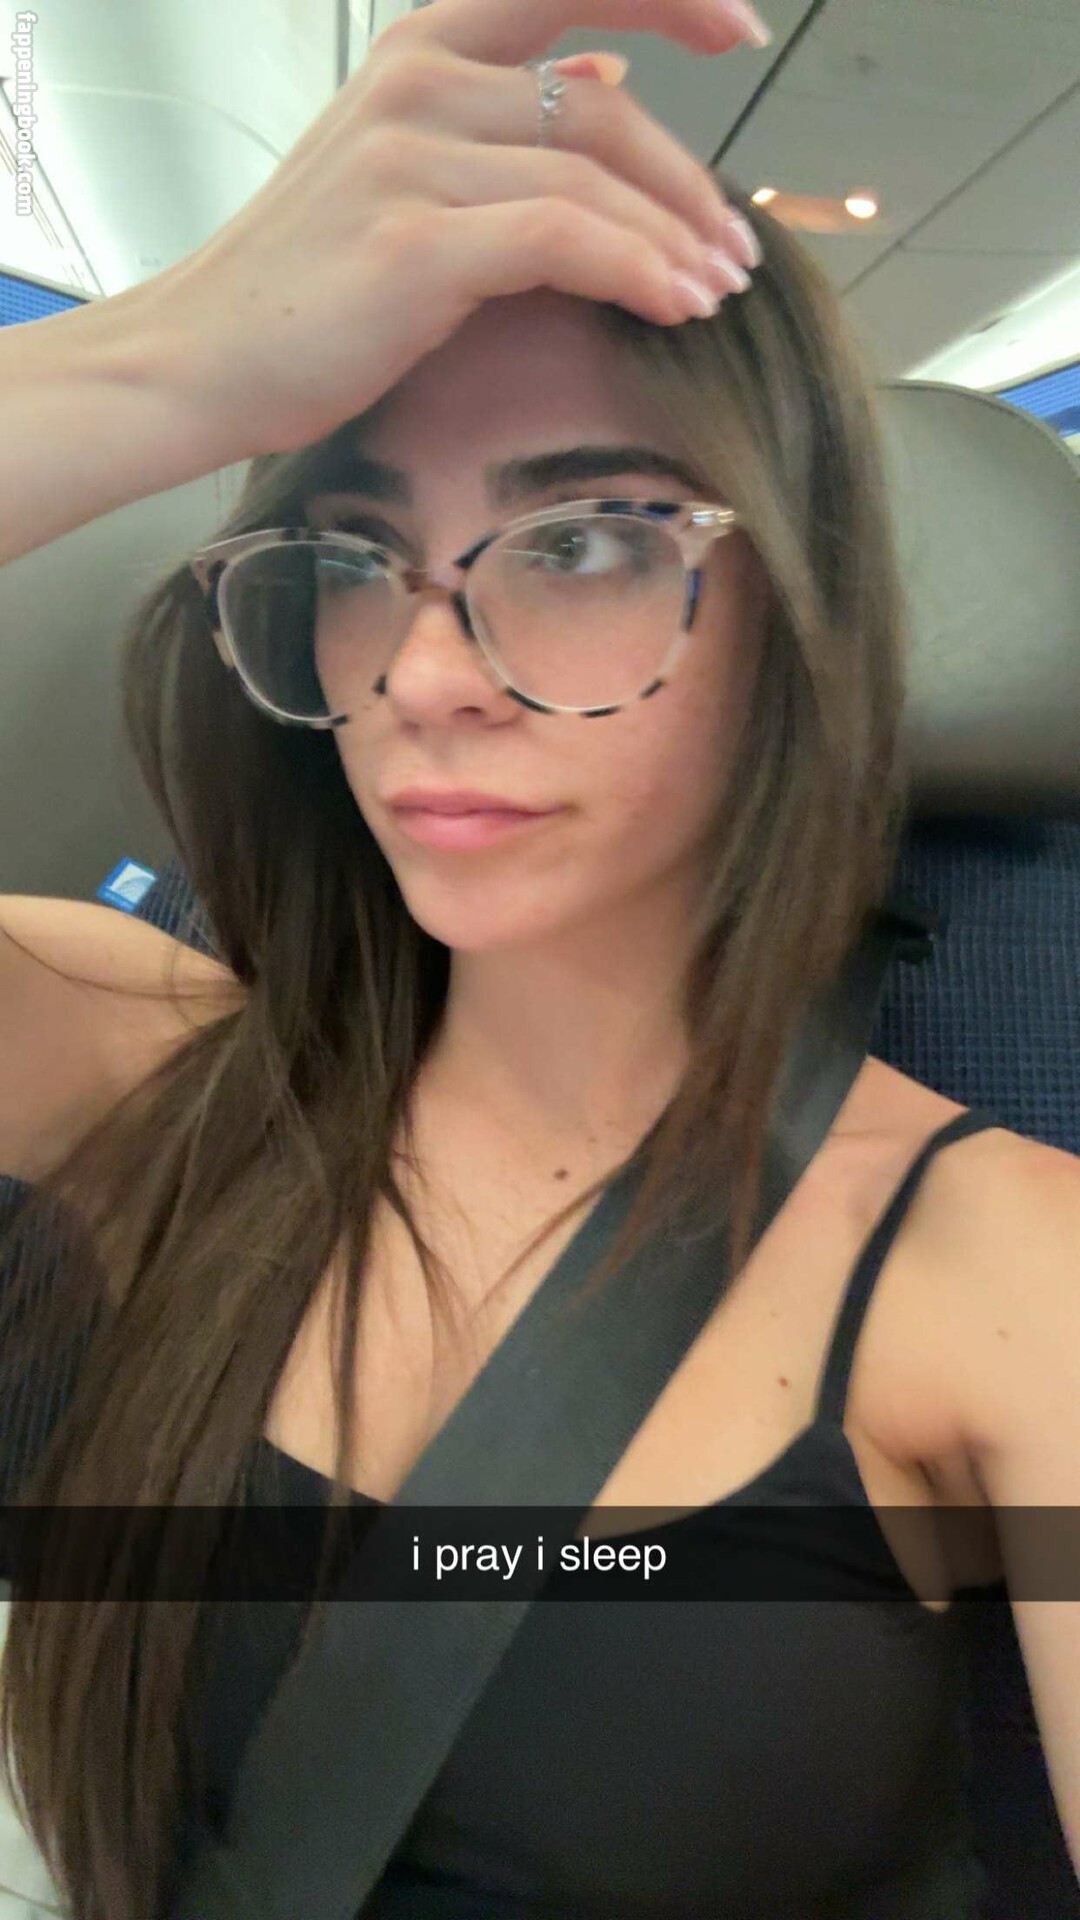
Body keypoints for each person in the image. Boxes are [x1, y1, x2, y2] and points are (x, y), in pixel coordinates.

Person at [0, 0, 1076, 1915]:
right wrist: (158, 363)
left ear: (799, 607)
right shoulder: (143, 1063)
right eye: (353, 558)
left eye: (578, 542)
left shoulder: (1008, 1275)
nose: (422, 674)